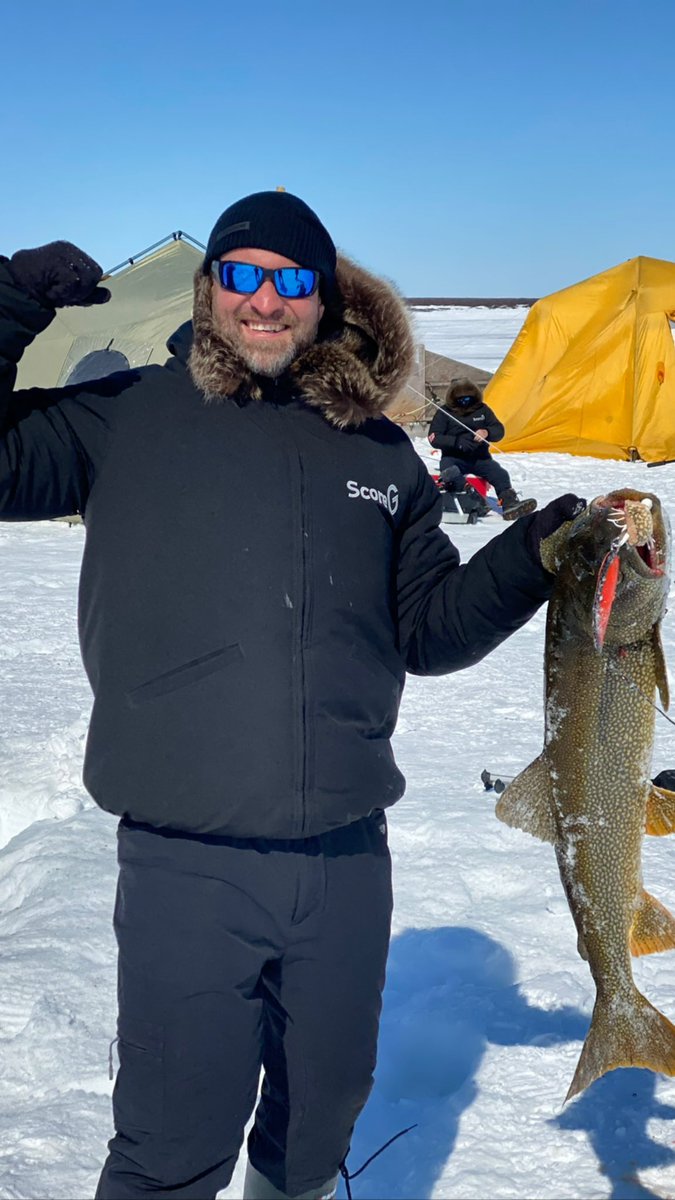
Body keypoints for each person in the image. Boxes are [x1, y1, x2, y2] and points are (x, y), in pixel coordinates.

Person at [0, 191, 583, 1200]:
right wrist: (5, 303)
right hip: (191, 860)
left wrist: (532, 556)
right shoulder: (125, 417)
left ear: (325, 300)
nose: (265, 302)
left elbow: (426, 631)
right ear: (210, 289)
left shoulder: (376, 452)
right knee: (172, 1146)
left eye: (291, 281)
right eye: (243, 276)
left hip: (348, 859)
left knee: (319, 1121)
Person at [428, 376, 536, 520]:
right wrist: (456, 442)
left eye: (468, 399)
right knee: (449, 472)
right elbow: (434, 437)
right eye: (461, 400)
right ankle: (473, 498)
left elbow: (499, 430)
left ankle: (509, 502)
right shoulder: (445, 412)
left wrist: (487, 432)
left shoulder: (483, 410)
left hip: (480, 458)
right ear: (453, 399)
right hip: (454, 458)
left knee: (500, 473)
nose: (465, 403)